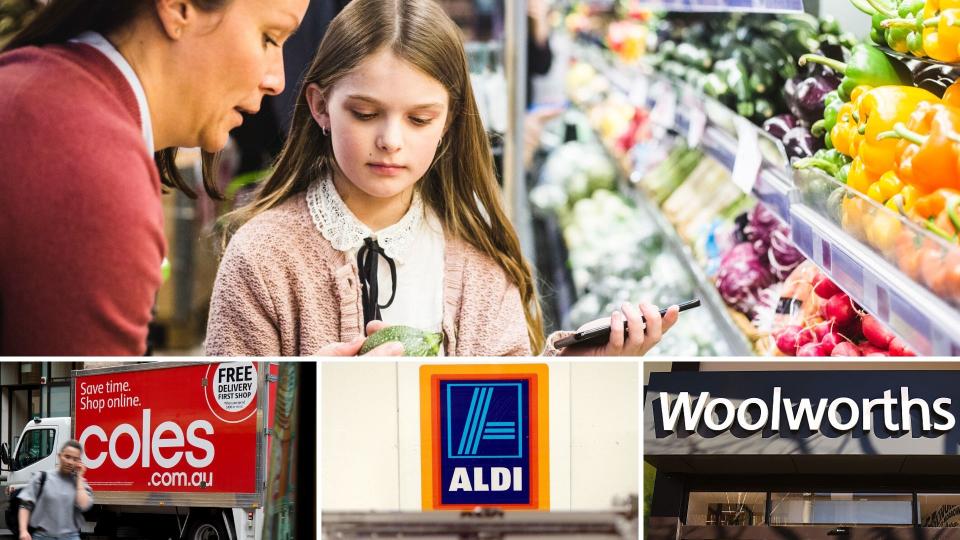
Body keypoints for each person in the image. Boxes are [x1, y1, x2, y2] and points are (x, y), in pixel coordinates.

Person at [204, 0, 680, 356]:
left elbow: (508, 425)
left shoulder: (479, 260)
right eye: (366, 113)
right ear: (319, 106)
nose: (391, 140)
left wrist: (586, 367)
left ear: (449, 121)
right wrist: (308, 399)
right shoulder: (261, 257)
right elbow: (230, 435)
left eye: (419, 119)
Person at [0, 0, 311, 355]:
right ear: (178, 8)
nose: (278, 80)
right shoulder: (95, 171)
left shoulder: (37, 88)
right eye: (269, 38)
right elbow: (97, 402)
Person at [16, 440, 93, 540]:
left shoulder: (80, 483)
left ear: (79, 462)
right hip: (42, 536)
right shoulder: (41, 478)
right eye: (67, 457)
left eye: (75, 459)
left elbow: (84, 505)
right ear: (59, 456)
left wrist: (79, 477)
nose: (70, 462)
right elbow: (25, 505)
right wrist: (23, 531)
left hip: (70, 536)